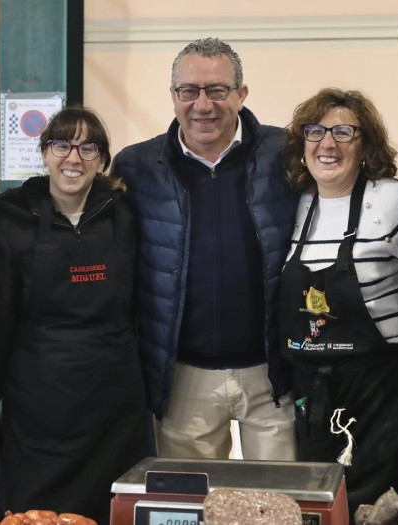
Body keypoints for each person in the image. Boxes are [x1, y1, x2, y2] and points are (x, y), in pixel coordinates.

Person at [112, 37, 300, 460]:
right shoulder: (136, 167)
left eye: (217, 90)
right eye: (189, 91)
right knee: (186, 507)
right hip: (182, 377)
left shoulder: (285, 154)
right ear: (173, 96)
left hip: (270, 373)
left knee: (277, 506)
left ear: (241, 94)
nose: (203, 105)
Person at [0, 107, 152, 522]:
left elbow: (142, 310)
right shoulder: (11, 218)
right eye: (62, 145)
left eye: (88, 148)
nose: (74, 158)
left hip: (114, 410)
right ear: (44, 152)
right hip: (38, 412)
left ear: (103, 160)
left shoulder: (125, 215)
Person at [277, 88, 398, 514]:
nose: (328, 144)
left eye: (344, 132)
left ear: (366, 145)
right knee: (321, 508)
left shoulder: (394, 200)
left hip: (383, 396)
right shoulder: (296, 205)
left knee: (378, 510)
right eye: (316, 132)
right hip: (314, 399)